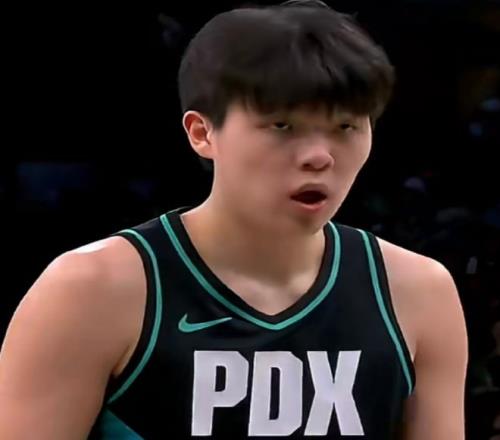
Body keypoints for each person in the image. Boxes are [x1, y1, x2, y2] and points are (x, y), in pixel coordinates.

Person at [0, 0, 468, 438]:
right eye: (282, 126)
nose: (319, 156)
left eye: (346, 126)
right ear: (202, 132)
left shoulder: (418, 292)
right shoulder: (91, 290)